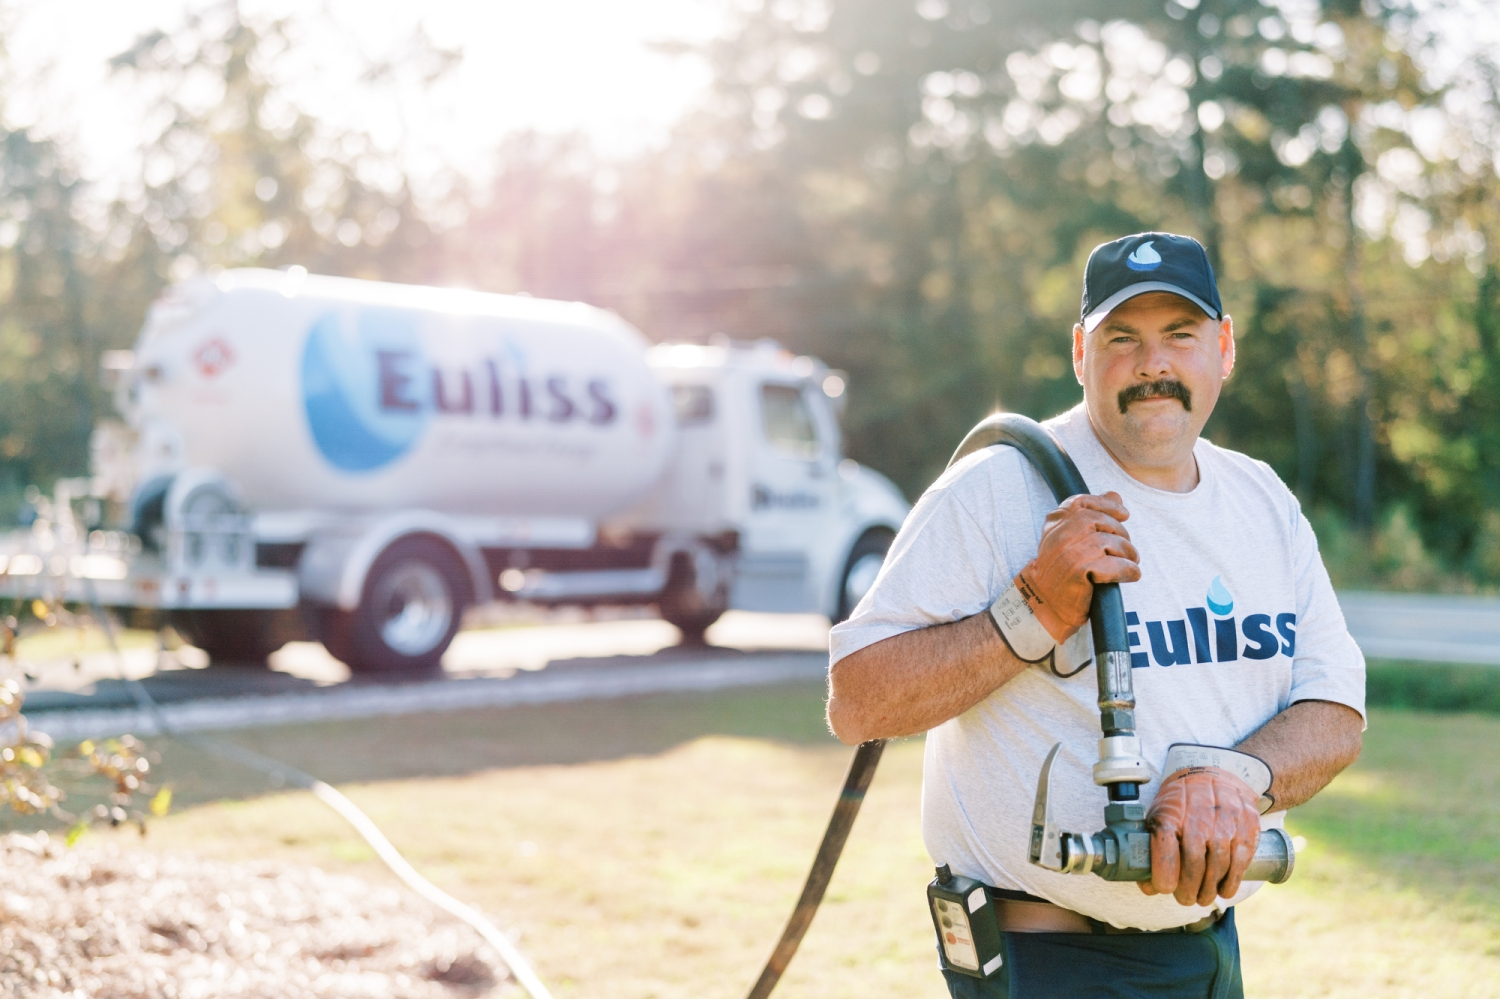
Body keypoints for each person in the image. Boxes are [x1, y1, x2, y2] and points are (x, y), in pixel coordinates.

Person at [826, 232, 1366, 998]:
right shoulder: (997, 489)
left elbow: (1336, 706)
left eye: (1179, 335)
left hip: (1209, 950)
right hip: (1046, 961)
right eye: (1123, 338)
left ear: (1224, 347)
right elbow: (858, 700)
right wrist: (1032, 611)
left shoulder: (1262, 500)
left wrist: (1233, 780)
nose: (1154, 365)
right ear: (1081, 352)